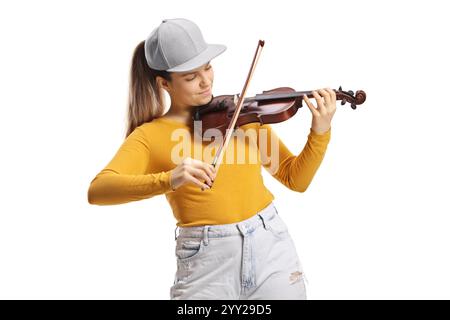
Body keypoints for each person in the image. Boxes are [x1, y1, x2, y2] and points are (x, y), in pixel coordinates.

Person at [87, 18, 336, 300]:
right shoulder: (150, 136)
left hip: (272, 251)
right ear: (164, 83)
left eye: (207, 67)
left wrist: (320, 131)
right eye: (191, 76)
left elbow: (296, 179)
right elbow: (98, 190)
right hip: (206, 263)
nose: (206, 81)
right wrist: (170, 178)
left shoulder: (240, 115)